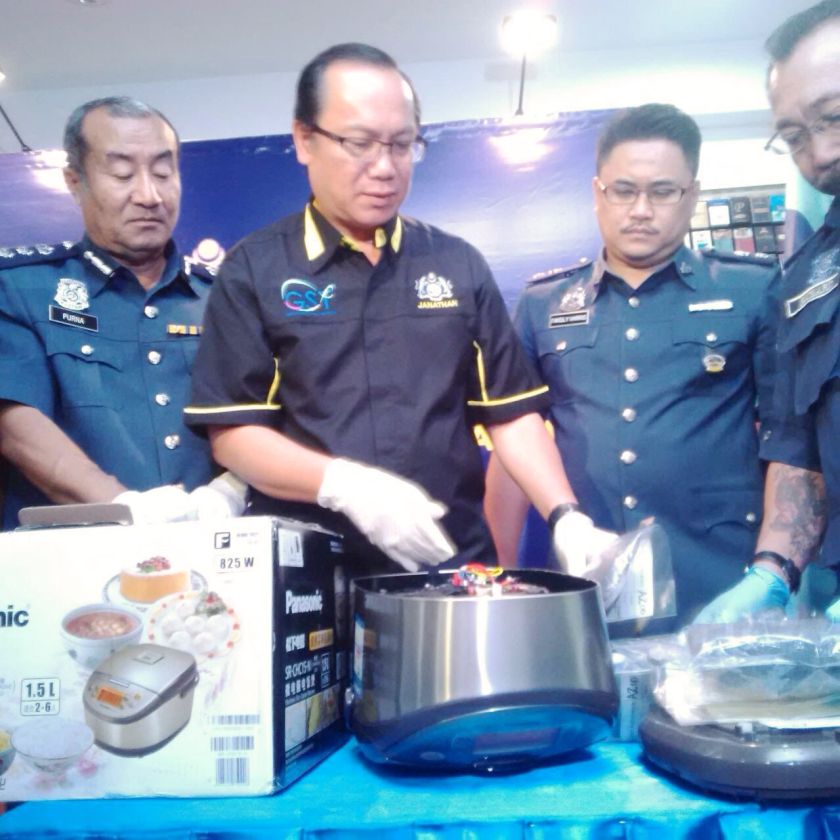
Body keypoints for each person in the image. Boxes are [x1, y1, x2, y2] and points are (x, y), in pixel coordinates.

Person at [184, 42, 608, 573]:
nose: (385, 167)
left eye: (403, 145)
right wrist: (344, 486)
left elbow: (512, 414)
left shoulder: (456, 264)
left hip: (448, 565)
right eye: (360, 143)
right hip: (309, 577)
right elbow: (234, 436)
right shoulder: (254, 269)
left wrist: (564, 515)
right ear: (304, 139)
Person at [484, 103, 822, 628]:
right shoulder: (542, 303)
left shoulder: (752, 289)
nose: (641, 209)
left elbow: (793, 437)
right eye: (623, 190)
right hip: (586, 581)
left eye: (663, 191)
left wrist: (772, 571)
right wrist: (505, 573)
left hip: (717, 583)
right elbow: (513, 444)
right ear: (597, 194)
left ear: (692, 195)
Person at [0, 96, 246, 530]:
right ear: (75, 182)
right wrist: (121, 506)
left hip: (211, 559)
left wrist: (231, 492)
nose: (148, 194)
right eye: (122, 173)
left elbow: (267, 415)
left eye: (164, 172)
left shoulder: (225, 298)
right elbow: (16, 424)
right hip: (66, 568)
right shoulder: (22, 289)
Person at [697, 0, 840, 622]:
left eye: (832, 116)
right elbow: (797, 445)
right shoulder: (807, 276)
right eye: (794, 136)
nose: (822, 152)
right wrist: (773, 573)